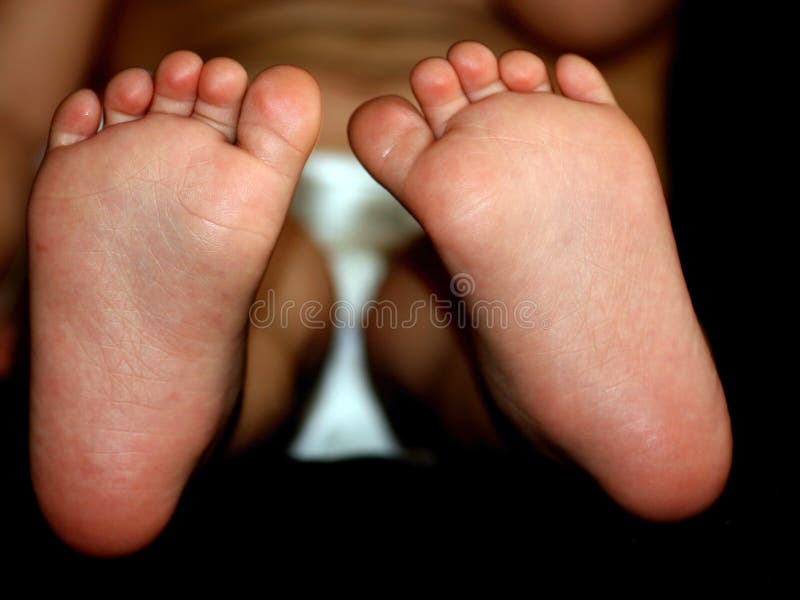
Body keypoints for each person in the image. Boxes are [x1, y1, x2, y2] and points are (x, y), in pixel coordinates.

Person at [1, 0, 732, 557]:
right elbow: (12, 106)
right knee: (405, 322)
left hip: (506, 206)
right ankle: (139, 393)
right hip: (206, 204)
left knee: (314, 315)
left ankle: (595, 378)